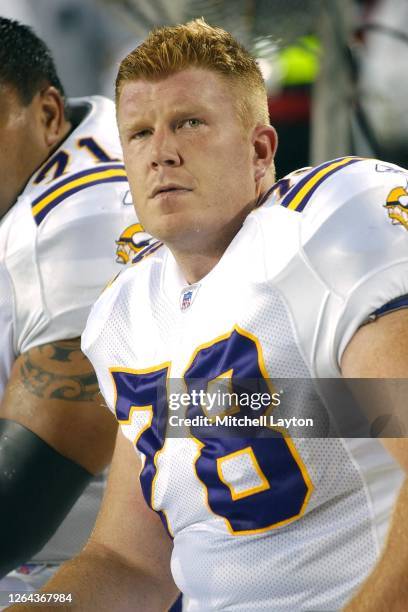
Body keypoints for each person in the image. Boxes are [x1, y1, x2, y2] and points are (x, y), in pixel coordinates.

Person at [20, 19, 408, 611]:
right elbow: (128, 561)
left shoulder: (319, 234)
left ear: (260, 149)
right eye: (140, 133)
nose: (161, 152)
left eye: (190, 124)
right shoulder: (126, 313)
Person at [0, 17, 152, 589]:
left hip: (78, 567)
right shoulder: (96, 125)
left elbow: (18, 502)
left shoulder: (74, 230)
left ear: (46, 113)